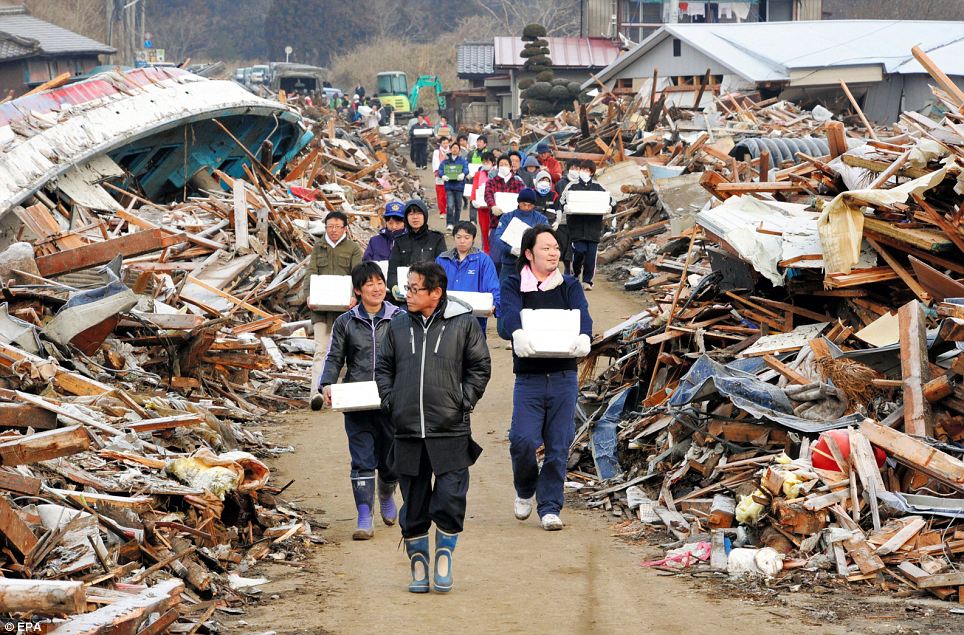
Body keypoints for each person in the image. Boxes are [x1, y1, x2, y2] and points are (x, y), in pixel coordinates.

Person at [375, 261, 491, 593]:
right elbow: (383, 366)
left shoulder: (463, 323)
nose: (406, 294)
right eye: (407, 288)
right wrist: (391, 401)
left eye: (414, 289)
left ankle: (444, 556)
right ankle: (418, 564)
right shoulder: (398, 326)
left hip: (450, 428)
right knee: (413, 502)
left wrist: (463, 400)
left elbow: (480, 366)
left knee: (451, 496)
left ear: (436, 292)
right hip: (408, 430)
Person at [497, 225, 592, 531]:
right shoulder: (515, 284)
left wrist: (584, 336)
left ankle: (550, 506)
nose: (553, 253)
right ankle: (525, 489)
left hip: (564, 375)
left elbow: (583, 315)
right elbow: (507, 314)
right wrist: (517, 332)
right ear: (529, 253)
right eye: (546, 248)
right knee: (522, 440)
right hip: (530, 378)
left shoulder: (569, 285)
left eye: (555, 248)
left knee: (559, 444)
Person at [319, 262, 403, 540]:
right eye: (370, 284)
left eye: (380, 282)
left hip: (391, 399)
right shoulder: (346, 322)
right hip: (356, 399)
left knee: (391, 457)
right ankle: (364, 514)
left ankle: (387, 493)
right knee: (362, 458)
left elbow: (409, 357)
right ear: (358, 290)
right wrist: (327, 383)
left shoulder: (399, 318)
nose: (377, 288)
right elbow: (334, 357)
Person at [306, 211, 363, 411]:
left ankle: (341, 395)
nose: (333, 230)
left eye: (338, 226)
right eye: (330, 226)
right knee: (321, 350)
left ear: (345, 228)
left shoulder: (353, 249)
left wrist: (355, 297)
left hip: (345, 313)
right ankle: (316, 393)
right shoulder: (318, 247)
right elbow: (311, 273)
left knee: (346, 353)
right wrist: (309, 296)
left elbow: (358, 275)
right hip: (321, 311)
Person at [436, 222, 501, 333]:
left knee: (474, 346)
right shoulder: (442, 260)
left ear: (473, 239)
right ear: (453, 238)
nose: (462, 241)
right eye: (458, 237)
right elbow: (434, 284)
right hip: (446, 314)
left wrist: (495, 304)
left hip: (475, 316)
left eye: (467, 237)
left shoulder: (483, 260)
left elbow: (492, 284)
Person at [561, 160, 611, 291]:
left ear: (592, 173)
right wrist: (565, 206)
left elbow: (610, 199)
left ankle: (587, 281)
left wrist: (610, 206)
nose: (584, 172)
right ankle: (575, 274)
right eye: (582, 169)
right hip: (576, 227)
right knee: (579, 251)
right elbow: (562, 200)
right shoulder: (572, 186)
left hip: (593, 227)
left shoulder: (599, 187)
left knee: (591, 256)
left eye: (587, 170)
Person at [387, 199, 446, 293]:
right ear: (406, 218)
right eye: (411, 214)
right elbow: (392, 270)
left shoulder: (436, 238)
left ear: (425, 216)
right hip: (405, 291)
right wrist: (394, 286)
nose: (415, 217)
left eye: (419, 213)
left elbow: (442, 269)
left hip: (429, 291)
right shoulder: (399, 241)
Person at [491, 188, 549, 285]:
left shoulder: (541, 219)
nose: (526, 208)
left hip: (533, 265)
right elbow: (498, 238)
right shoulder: (507, 217)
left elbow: (546, 238)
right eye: (523, 204)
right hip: (509, 264)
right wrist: (510, 249)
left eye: (530, 205)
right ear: (518, 203)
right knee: (505, 293)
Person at [483, 156, 526, 274]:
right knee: (495, 259)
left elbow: (523, 197)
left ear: (511, 167)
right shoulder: (491, 182)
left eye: (506, 164)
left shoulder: (517, 182)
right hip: (496, 223)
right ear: (497, 167)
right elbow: (488, 195)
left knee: (513, 259)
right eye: (501, 164)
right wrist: (492, 206)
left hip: (514, 224)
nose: (503, 167)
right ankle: (495, 285)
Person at [437, 141, 469, 230]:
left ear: (459, 150)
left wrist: (463, 174)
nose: (455, 149)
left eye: (457, 148)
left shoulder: (462, 161)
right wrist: (442, 175)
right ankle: (449, 223)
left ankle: (456, 223)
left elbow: (466, 169)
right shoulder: (446, 161)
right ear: (450, 149)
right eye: (453, 148)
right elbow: (440, 170)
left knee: (458, 206)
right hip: (449, 186)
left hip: (459, 186)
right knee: (450, 206)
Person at [469, 152, 495, 254]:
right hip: (482, 207)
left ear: (492, 162)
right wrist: (473, 199)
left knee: (494, 230)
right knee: (484, 230)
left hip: (494, 207)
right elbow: (474, 187)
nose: (485, 164)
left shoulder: (496, 174)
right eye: (484, 162)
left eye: (488, 162)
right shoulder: (478, 174)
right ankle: (486, 250)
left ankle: (494, 251)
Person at [431, 137, 451, 220]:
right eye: (444, 143)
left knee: (449, 195)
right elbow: (435, 163)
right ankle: (442, 211)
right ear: (440, 144)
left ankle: (448, 209)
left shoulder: (451, 151)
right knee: (441, 195)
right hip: (440, 176)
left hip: (450, 176)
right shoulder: (437, 152)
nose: (446, 145)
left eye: (447, 143)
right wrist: (439, 172)